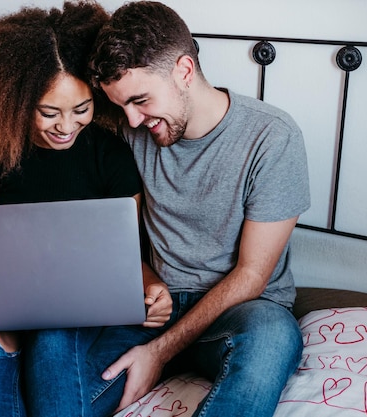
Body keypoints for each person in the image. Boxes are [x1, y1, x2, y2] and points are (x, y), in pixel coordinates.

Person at [87, 1, 311, 416]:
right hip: (154, 307)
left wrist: (159, 352)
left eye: (140, 100)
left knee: (275, 337)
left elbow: (252, 276)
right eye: (122, 107)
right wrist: (150, 286)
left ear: (185, 71)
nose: (133, 121)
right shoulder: (128, 132)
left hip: (241, 313)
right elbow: (113, 234)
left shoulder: (271, 138)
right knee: (63, 383)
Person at [0, 2, 172, 416]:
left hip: (81, 307)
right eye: (49, 112)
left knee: (54, 340)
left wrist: (151, 288)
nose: (67, 126)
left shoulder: (109, 155)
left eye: (82, 109)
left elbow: (125, 254)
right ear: (16, 101)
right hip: (6, 302)